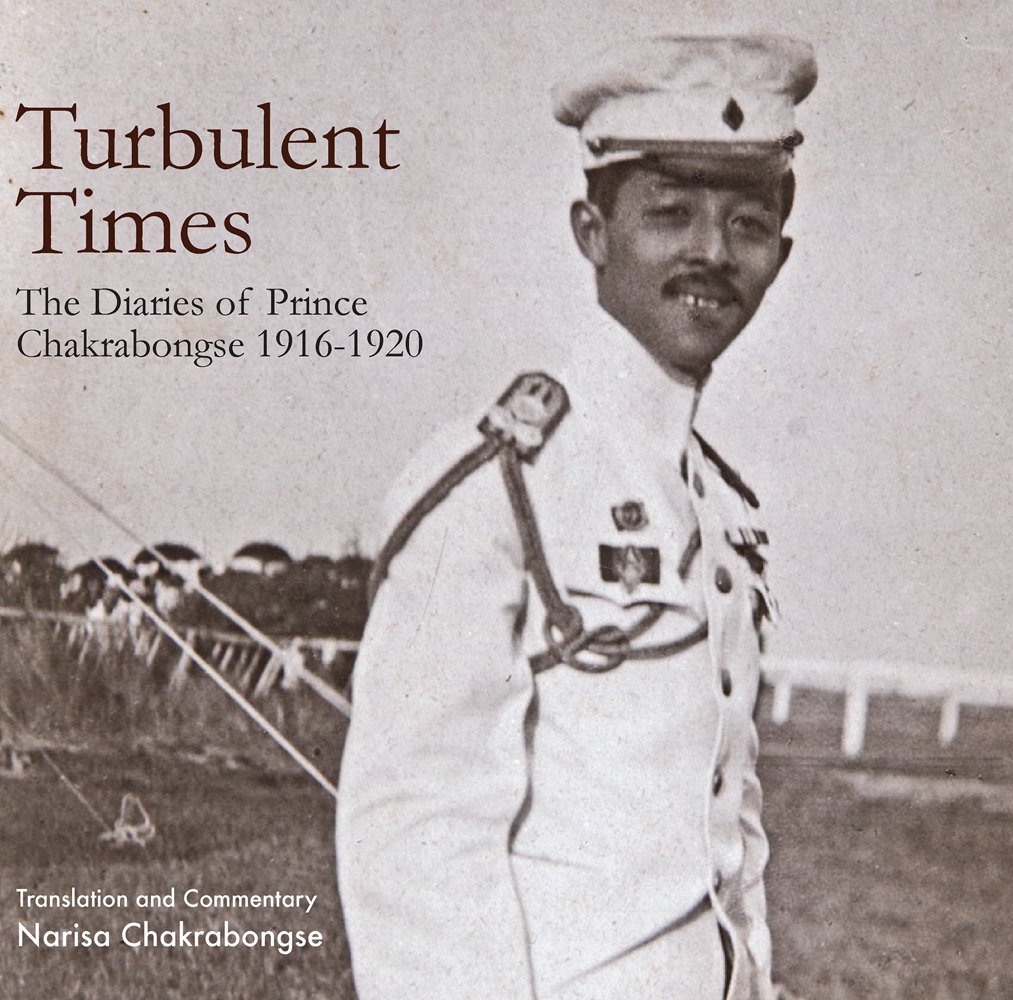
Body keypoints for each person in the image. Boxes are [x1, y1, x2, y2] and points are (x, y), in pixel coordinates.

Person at [336, 34, 817, 1000]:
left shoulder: (718, 504)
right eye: (669, 214)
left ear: (781, 252)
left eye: (748, 223)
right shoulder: (501, 478)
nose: (710, 255)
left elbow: (729, 816)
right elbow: (414, 824)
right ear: (590, 231)